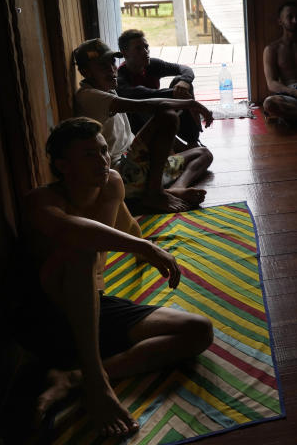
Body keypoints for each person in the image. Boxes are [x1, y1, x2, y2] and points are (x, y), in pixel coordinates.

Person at [21, 117, 214, 437]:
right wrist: (142, 247)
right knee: (80, 249)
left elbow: (122, 222)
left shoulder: (111, 183)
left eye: (103, 151)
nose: (102, 160)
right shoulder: (41, 201)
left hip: (91, 307)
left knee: (197, 331)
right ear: (63, 166)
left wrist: (145, 247)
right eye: (88, 155)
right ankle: (97, 387)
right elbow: (72, 231)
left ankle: (74, 377)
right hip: (44, 316)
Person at [73, 38, 214, 213]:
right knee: (168, 116)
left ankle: (175, 189)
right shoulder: (89, 96)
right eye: (103, 66)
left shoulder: (108, 89)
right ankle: (154, 193)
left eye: (112, 63)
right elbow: (150, 105)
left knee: (203, 154)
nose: (111, 69)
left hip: (136, 165)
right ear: (85, 72)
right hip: (121, 172)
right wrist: (191, 104)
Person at [116, 29, 202, 149]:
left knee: (180, 83)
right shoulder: (121, 77)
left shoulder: (152, 65)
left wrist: (184, 82)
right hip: (139, 127)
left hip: (158, 112)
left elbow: (185, 69)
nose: (145, 52)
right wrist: (174, 94)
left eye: (146, 47)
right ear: (125, 53)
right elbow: (143, 95)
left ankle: (192, 140)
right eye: (138, 48)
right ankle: (177, 148)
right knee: (141, 108)